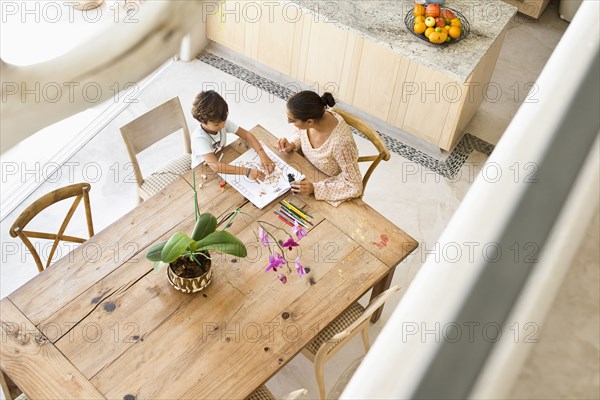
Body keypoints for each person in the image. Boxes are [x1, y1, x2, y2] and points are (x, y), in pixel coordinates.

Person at [277, 91, 363, 206]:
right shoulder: (316, 115)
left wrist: (315, 189)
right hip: (305, 169)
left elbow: (355, 185)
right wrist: (293, 144)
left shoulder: (341, 143)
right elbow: (300, 132)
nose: (288, 122)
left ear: (309, 122)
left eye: (292, 120)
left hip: (327, 183)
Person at [191, 90, 274, 180]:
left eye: (224, 121)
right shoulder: (199, 138)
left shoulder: (220, 121)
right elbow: (216, 167)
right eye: (216, 124)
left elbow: (247, 135)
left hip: (220, 160)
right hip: (202, 172)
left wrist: (262, 154)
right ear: (202, 121)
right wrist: (247, 171)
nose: (222, 126)